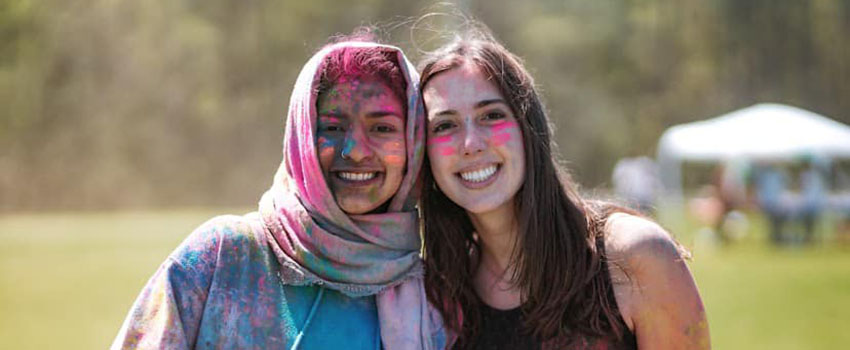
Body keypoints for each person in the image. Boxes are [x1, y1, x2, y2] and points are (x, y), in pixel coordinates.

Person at [111, 35, 446, 349]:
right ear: (301, 137)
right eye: (332, 127)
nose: (356, 150)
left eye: (382, 128)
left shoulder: (434, 302)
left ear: (414, 144)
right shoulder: (223, 255)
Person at [419, 29, 710, 349]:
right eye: (445, 125)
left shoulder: (635, 257)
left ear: (529, 128)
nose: (471, 144)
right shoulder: (436, 298)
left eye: (491, 115)